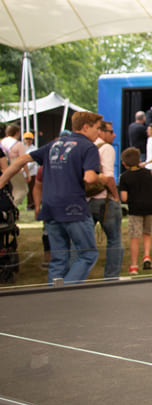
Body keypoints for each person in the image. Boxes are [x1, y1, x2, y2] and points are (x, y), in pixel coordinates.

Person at [0, 111, 103, 284]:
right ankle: (67, 293)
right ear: (86, 127)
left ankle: (52, 296)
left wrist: (2, 181)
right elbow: (90, 178)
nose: (98, 133)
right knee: (87, 254)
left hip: (50, 207)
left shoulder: (54, 144)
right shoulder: (88, 147)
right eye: (97, 128)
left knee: (58, 258)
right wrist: (103, 179)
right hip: (74, 207)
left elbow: (20, 161)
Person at [118, 147, 152, 273]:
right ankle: (147, 257)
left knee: (135, 236)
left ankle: (134, 265)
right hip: (150, 206)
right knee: (147, 233)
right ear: (139, 160)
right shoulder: (149, 173)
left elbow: (124, 197)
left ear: (124, 163)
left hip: (135, 209)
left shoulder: (124, 177)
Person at [89, 120, 122, 278]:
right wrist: (115, 196)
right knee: (114, 240)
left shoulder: (87, 147)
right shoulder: (106, 148)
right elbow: (109, 177)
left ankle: (73, 279)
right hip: (104, 200)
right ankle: (111, 276)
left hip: (87, 199)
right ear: (101, 132)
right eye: (110, 131)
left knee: (81, 243)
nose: (114, 134)